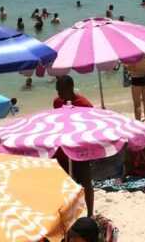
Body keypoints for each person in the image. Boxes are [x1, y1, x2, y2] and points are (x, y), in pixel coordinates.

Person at [53, 76, 94, 217]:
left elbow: (91, 127)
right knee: (64, 183)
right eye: (57, 91)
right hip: (62, 150)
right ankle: (68, 214)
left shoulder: (84, 104)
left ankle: (90, 214)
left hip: (80, 148)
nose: (58, 94)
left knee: (86, 181)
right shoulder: (57, 102)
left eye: (60, 91)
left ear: (70, 89)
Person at [126, 55, 145, 124]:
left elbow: (132, 68)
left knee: (137, 104)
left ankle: (138, 124)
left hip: (136, 78)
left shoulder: (133, 54)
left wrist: (126, 66)